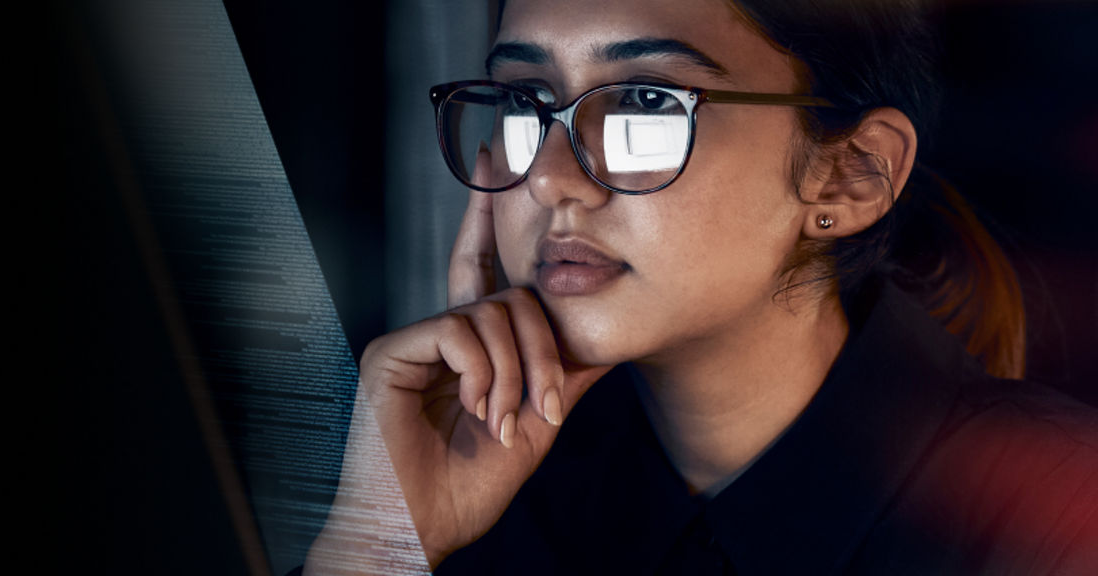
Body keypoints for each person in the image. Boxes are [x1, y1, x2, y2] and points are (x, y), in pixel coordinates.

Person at [303, 0, 1097, 573]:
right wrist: (375, 549)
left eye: (647, 103)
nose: (548, 180)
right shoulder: (488, 497)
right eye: (526, 103)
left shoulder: (1057, 521)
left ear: (850, 176)